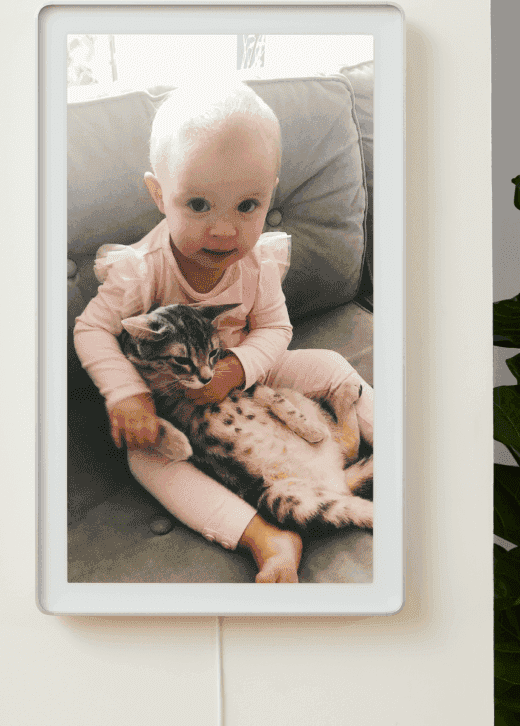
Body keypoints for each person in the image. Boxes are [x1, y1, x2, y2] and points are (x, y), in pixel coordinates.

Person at [73, 82, 374, 582]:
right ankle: (265, 536)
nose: (224, 230)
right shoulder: (142, 270)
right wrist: (126, 394)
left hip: (247, 372)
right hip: (175, 398)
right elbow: (90, 330)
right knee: (144, 461)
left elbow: (275, 329)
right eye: (198, 204)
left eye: (248, 206)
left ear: (269, 196)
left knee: (328, 365)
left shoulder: (257, 262)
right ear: (159, 195)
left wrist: (238, 368)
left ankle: (403, 449)